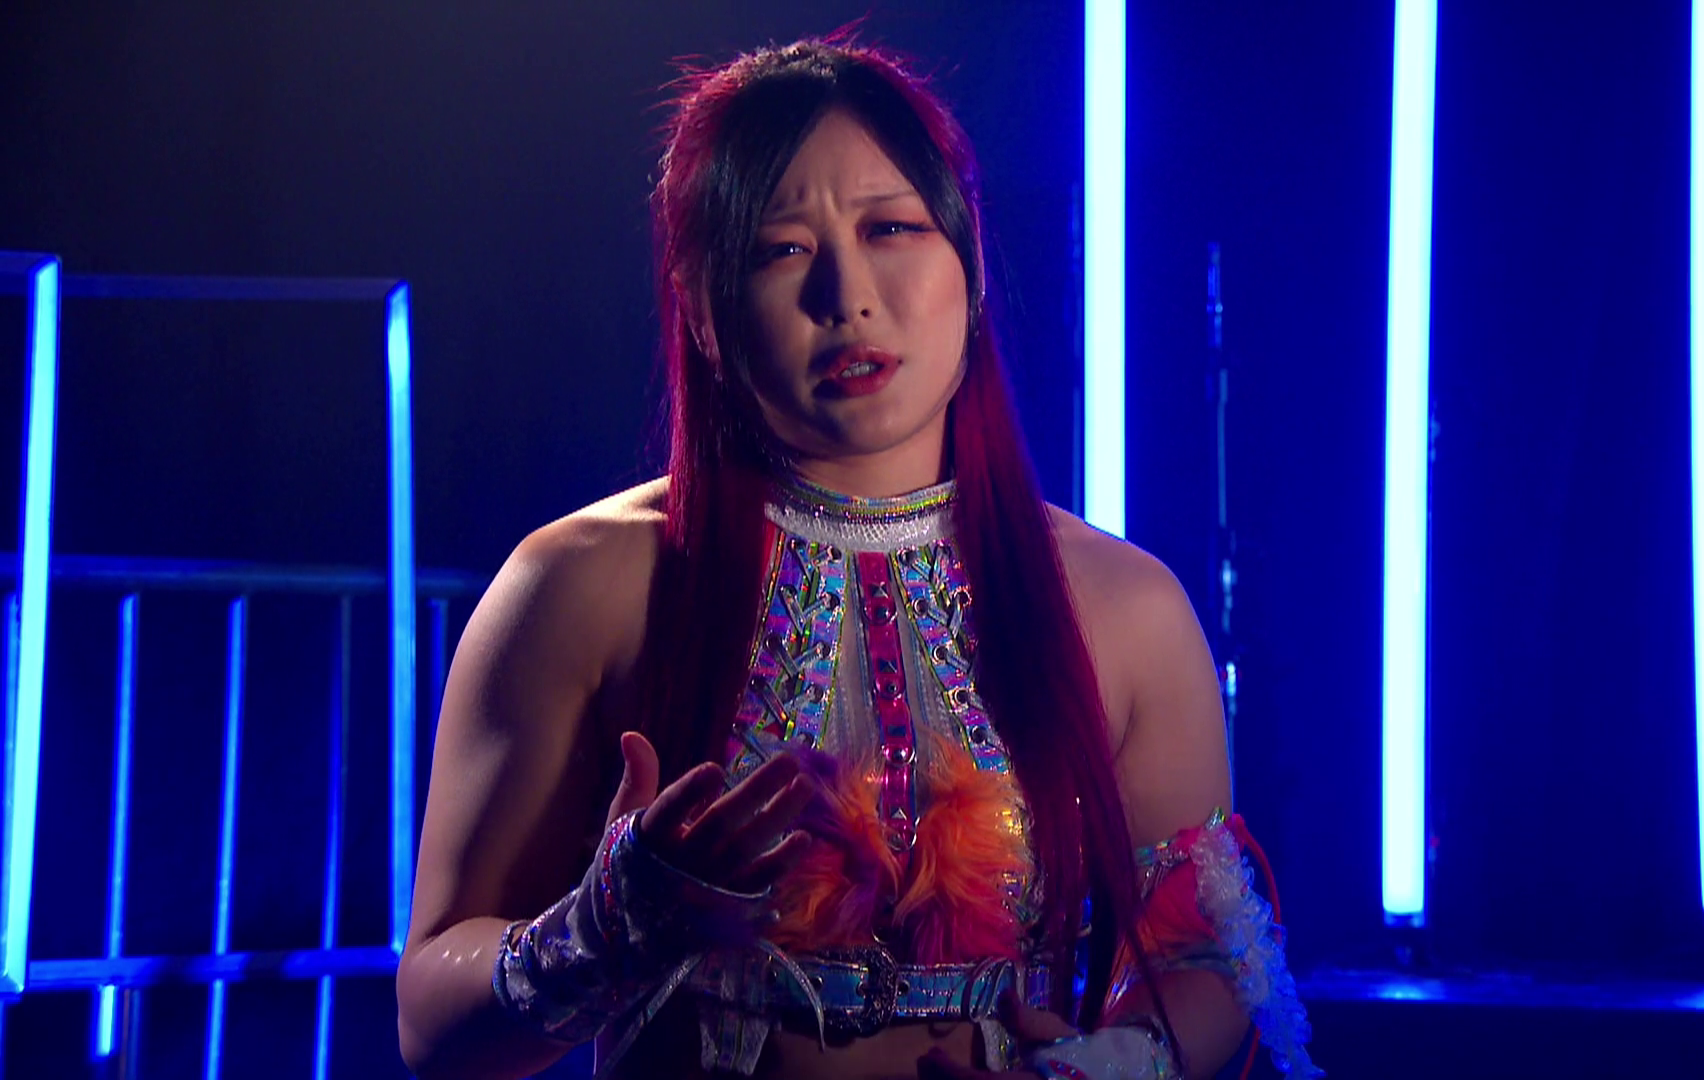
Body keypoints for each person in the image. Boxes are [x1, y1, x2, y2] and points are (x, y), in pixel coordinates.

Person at [395, 36, 1318, 1080]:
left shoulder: (1125, 607)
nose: (846, 293)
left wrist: (1114, 1064)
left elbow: (1202, 952)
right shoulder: (580, 587)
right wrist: (606, 927)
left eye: (891, 228)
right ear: (700, 308)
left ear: (970, 264)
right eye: (779, 249)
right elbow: (431, 1023)